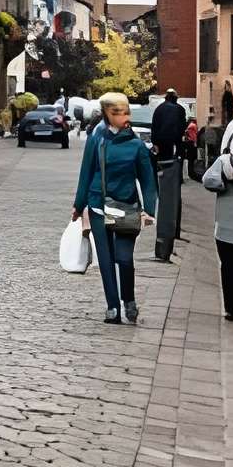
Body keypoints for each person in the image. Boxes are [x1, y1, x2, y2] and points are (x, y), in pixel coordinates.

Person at [73, 89, 157, 325]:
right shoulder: (96, 139)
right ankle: (112, 307)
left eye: (126, 111)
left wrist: (149, 210)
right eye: (118, 112)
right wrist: (79, 205)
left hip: (127, 208)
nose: (124, 116)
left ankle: (128, 299)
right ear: (107, 114)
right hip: (99, 205)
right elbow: (86, 172)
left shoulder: (137, 145)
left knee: (124, 258)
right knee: (106, 261)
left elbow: (148, 180)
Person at [200, 116, 233, 320]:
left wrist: (225, 179)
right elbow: (209, 180)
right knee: (231, 267)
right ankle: (231, 307)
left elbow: (209, 180)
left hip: (229, 226)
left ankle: (231, 308)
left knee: (231, 267)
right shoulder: (224, 162)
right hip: (229, 226)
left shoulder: (225, 162)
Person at [149, 89, 187, 262]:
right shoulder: (179, 110)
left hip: (161, 146)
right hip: (173, 146)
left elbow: (154, 126)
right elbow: (181, 129)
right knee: (172, 178)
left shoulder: (159, 109)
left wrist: (156, 143)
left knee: (162, 172)